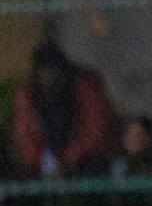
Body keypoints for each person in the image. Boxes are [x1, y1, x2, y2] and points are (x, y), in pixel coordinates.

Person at [13, 42, 118, 178]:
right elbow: (25, 133)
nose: (48, 77)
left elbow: (96, 128)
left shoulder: (85, 86)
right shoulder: (29, 92)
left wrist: (70, 158)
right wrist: (42, 160)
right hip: (45, 165)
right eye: (43, 73)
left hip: (89, 163)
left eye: (52, 71)